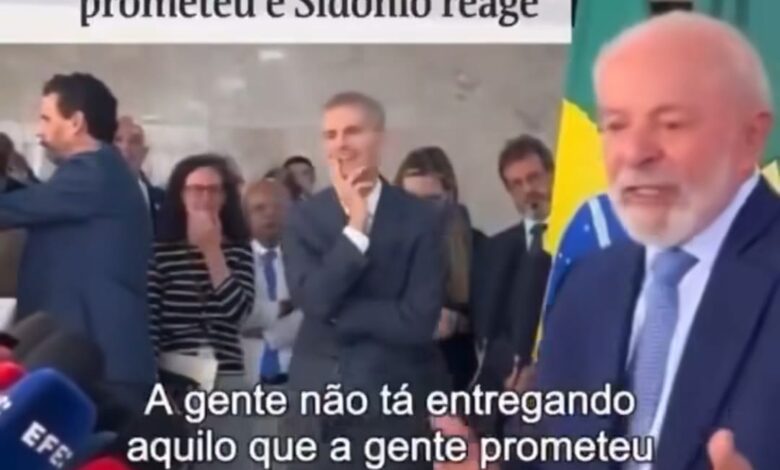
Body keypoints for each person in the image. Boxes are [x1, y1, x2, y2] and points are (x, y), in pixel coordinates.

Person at [436, 12, 776, 470]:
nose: (634, 153)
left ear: (750, 137)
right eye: (616, 125)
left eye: (671, 123)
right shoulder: (590, 282)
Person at [282, 91, 446, 469]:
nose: (340, 144)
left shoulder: (420, 219)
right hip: (318, 408)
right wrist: (356, 228)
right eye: (330, 135)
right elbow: (314, 300)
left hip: (395, 408)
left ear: (380, 138)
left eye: (352, 131)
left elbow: (418, 321)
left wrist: (339, 315)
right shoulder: (304, 218)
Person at [0, 73, 156, 406]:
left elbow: (12, 209)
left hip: (102, 365)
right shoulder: (95, 173)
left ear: (76, 123)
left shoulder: (93, 172)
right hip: (86, 361)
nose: (39, 131)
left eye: (46, 118)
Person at [148, 154, 255, 469]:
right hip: (175, 376)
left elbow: (239, 312)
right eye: (196, 189)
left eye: (213, 190)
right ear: (180, 196)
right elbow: (151, 322)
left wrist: (212, 251)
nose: (205, 198)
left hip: (226, 374)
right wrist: (155, 387)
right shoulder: (160, 252)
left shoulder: (239, 250)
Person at [394, 145, 483, 391]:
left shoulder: (478, 246)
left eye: (431, 200)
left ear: (450, 196)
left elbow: (495, 324)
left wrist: (457, 322)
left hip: (457, 378)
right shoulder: (379, 247)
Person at [473, 135, 554, 403]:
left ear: (552, 174)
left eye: (534, 177)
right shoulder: (494, 250)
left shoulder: (582, 235)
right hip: (511, 392)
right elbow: (488, 328)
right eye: (517, 184)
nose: (528, 189)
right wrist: (514, 370)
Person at [241, 177, 302, 386]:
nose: (270, 214)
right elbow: (239, 315)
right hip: (246, 377)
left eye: (278, 207)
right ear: (245, 216)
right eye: (259, 208)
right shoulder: (232, 260)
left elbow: (313, 314)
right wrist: (286, 308)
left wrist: (267, 335)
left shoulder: (308, 258)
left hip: (298, 376)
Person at [114, 116, 165, 231]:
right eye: (117, 140)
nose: (125, 147)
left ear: (144, 151)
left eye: (134, 141)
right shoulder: (86, 199)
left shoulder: (164, 201)